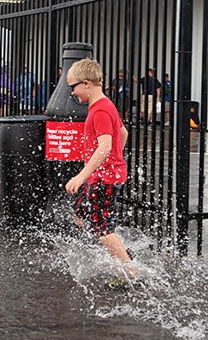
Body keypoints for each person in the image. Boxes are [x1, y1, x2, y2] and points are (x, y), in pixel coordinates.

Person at [64, 58, 135, 280]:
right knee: (79, 212)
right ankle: (117, 250)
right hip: (101, 175)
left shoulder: (100, 110)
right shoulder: (105, 105)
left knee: (102, 228)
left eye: (72, 87)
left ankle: (129, 271)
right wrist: (115, 159)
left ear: (86, 83)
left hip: (104, 178)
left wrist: (81, 175)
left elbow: (104, 146)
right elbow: (123, 134)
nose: (73, 93)